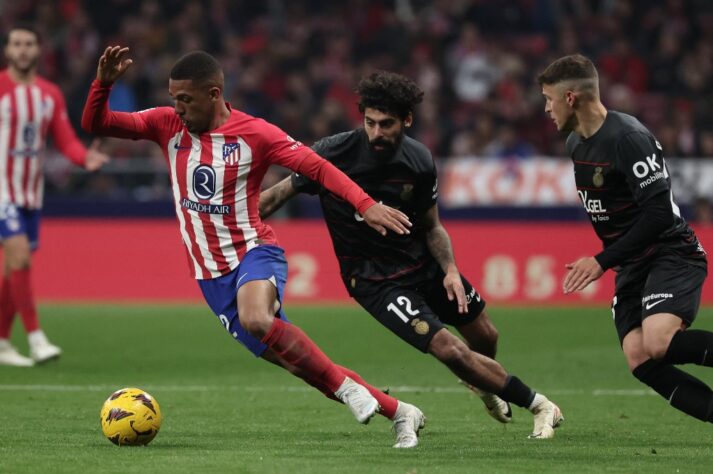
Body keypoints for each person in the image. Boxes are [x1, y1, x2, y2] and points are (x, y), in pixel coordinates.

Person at [82, 46, 426, 448]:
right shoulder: (165, 124)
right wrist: (102, 84)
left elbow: (317, 167)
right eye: (173, 98)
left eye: (185, 99)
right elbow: (98, 123)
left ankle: (350, 392)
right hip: (211, 275)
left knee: (258, 320)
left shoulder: (256, 134)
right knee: (298, 362)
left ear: (214, 94)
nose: (177, 108)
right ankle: (402, 412)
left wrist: (365, 205)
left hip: (254, 250)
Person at [259, 71, 564, 439]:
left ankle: (485, 382)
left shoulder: (418, 160)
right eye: (369, 122)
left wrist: (450, 269)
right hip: (376, 280)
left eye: (386, 124)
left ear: (407, 120)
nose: (376, 133)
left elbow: (432, 226)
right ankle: (538, 403)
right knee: (449, 350)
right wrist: (226, 225)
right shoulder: (333, 152)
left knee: (485, 336)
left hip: (424, 264)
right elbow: (274, 197)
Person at [538, 54, 713, 423]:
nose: (546, 108)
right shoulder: (576, 144)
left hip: (670, 251)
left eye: (549, 99)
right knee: (639, 356)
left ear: (570, 98)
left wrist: (601, 260)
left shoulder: (628, 138)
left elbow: (660, 213)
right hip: (633, 262)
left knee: (659, 342)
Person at [0, 25, 109, 367]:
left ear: (38, 50)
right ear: (7, 50)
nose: (22, 50)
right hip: (2, 190)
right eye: (16, 43)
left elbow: (64, 139)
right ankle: (36, 339)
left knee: (12, 271)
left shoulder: (49, 94)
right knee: (20, 258)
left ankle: (2, 343)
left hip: (31, 194)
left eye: (28, 44)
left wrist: (83, 158)